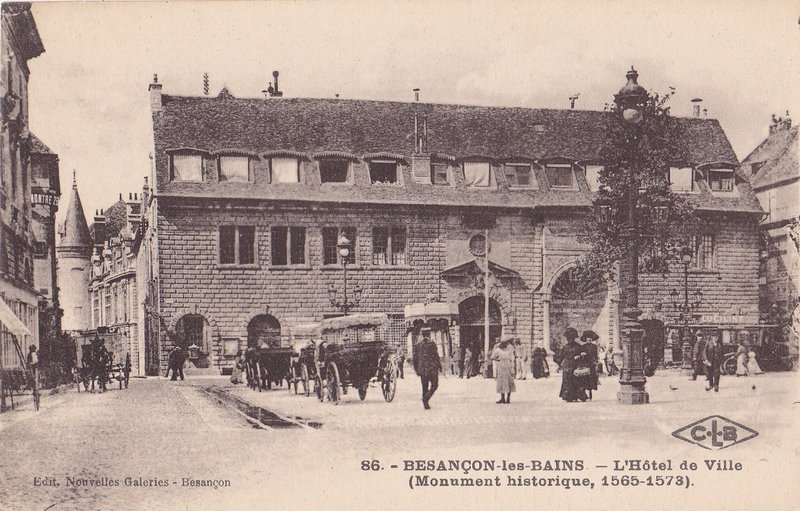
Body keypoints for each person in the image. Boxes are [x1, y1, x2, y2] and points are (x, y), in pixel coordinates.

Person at [556, 327, 588, 402]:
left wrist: (579, 356)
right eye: (568, 338)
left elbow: (584, 355)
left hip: (575, 365)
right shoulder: (565, 347)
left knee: (577, 380)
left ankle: (577, 395)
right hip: (567, 365)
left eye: (571, 338)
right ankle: (568, 396)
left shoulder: (578, 346)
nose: (569, 339)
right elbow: (561, 357)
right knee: (567, 380)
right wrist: (559, 365)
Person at [413, 336, 441, 410]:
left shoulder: (417, 345)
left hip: (422, 368)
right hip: (432, 368)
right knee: (435, 385)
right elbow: (436, 356)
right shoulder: (432, 344)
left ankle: (425, 402)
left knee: (424, 387)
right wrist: (439, 366)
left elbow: (415, 358)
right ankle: (426, 398)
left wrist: (416, 369)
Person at [491, 339, 516, 404]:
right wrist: (512, 368)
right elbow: (512, 359)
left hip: (501, 366)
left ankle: (503, 398)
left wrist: (498, 359)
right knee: (508, 381)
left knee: (502, 381)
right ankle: (508, 399)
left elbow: (492, 357)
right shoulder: (509, 350)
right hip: (508, 365)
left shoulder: (498, 350)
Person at [579, 330, 600, 399]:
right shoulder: (583, 346)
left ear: (591, 340)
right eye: (587, 340)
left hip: (591, 364)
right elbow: (581, 354)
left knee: (591, 378)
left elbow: (596, 355)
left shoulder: (594, 346)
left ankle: (590, 391)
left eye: (590, 339)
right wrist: (582, 354)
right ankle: (584, 391)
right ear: (586, 340)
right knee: (584, 378)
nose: (589, 341)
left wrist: (596, 361)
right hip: (585, 363)